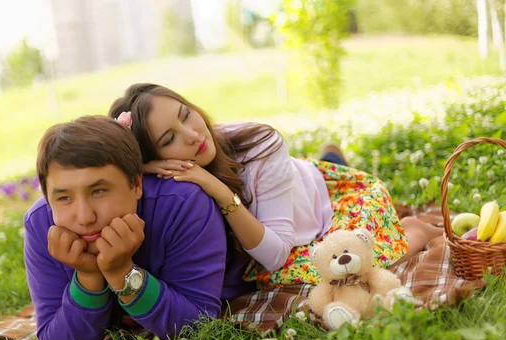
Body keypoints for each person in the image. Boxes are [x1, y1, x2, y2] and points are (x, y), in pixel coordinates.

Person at [109, 84, 443, 289]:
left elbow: (275, 256)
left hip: (316, 215)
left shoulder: (259, 143)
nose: (193, 135)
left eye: (186, 115)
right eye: (169, 140)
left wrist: (217, 189)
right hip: (280, 200)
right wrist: (141, 165)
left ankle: (415, 228)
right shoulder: (164, 172)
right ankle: (328, 158)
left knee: (348, 266)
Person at [23, 115, 251, 340]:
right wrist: (88, 276)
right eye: (64, 198)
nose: (84, 217)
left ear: (136, 185)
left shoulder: (183, 204)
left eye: (99, 191)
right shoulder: (40, 224)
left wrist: (122, 272)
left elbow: (197, 327)